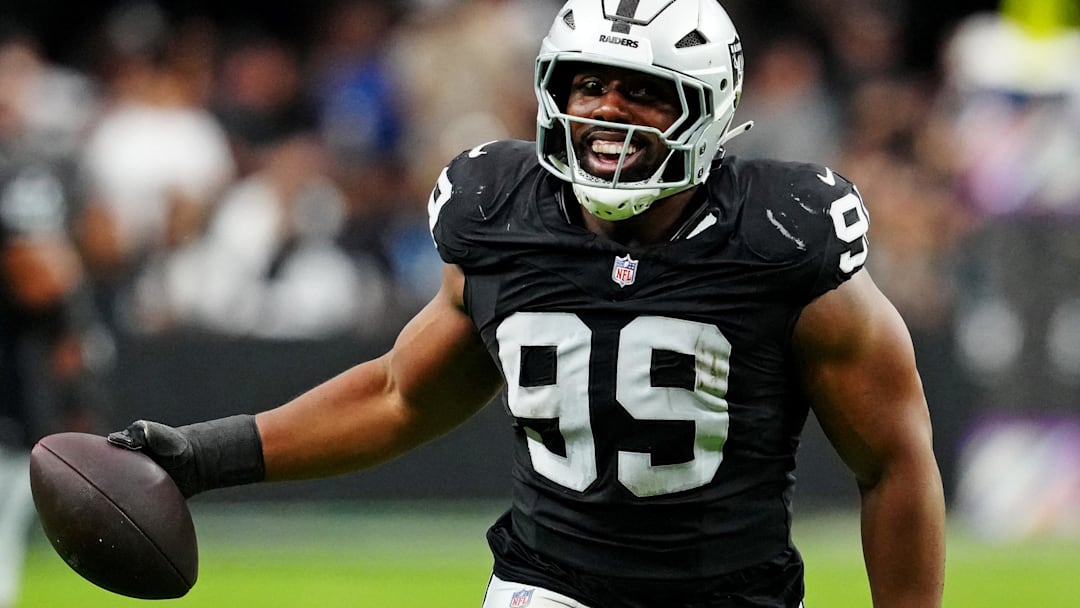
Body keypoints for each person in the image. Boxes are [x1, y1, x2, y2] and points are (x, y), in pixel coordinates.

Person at [107, 1, 946, 606]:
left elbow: (894, 459)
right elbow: (401, 395)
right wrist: (200, 455)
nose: (607, 111)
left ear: (711, 112)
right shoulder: (499, 212)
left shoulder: (781, 236)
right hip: (547, 591)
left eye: (643, 92)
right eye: (588, 85)